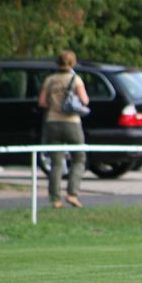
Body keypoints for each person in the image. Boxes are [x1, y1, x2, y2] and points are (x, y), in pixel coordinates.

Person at [38, 49, 89, 209]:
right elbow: (85, 100)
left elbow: (42, 102)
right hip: (72, 122)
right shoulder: (76, 80)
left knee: (56, 162)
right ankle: (72, 193)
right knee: (79, 158)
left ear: (57, 62)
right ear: (73, 63)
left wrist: (54, 105)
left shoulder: (50, 80)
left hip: (52, 122)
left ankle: (55, 199)